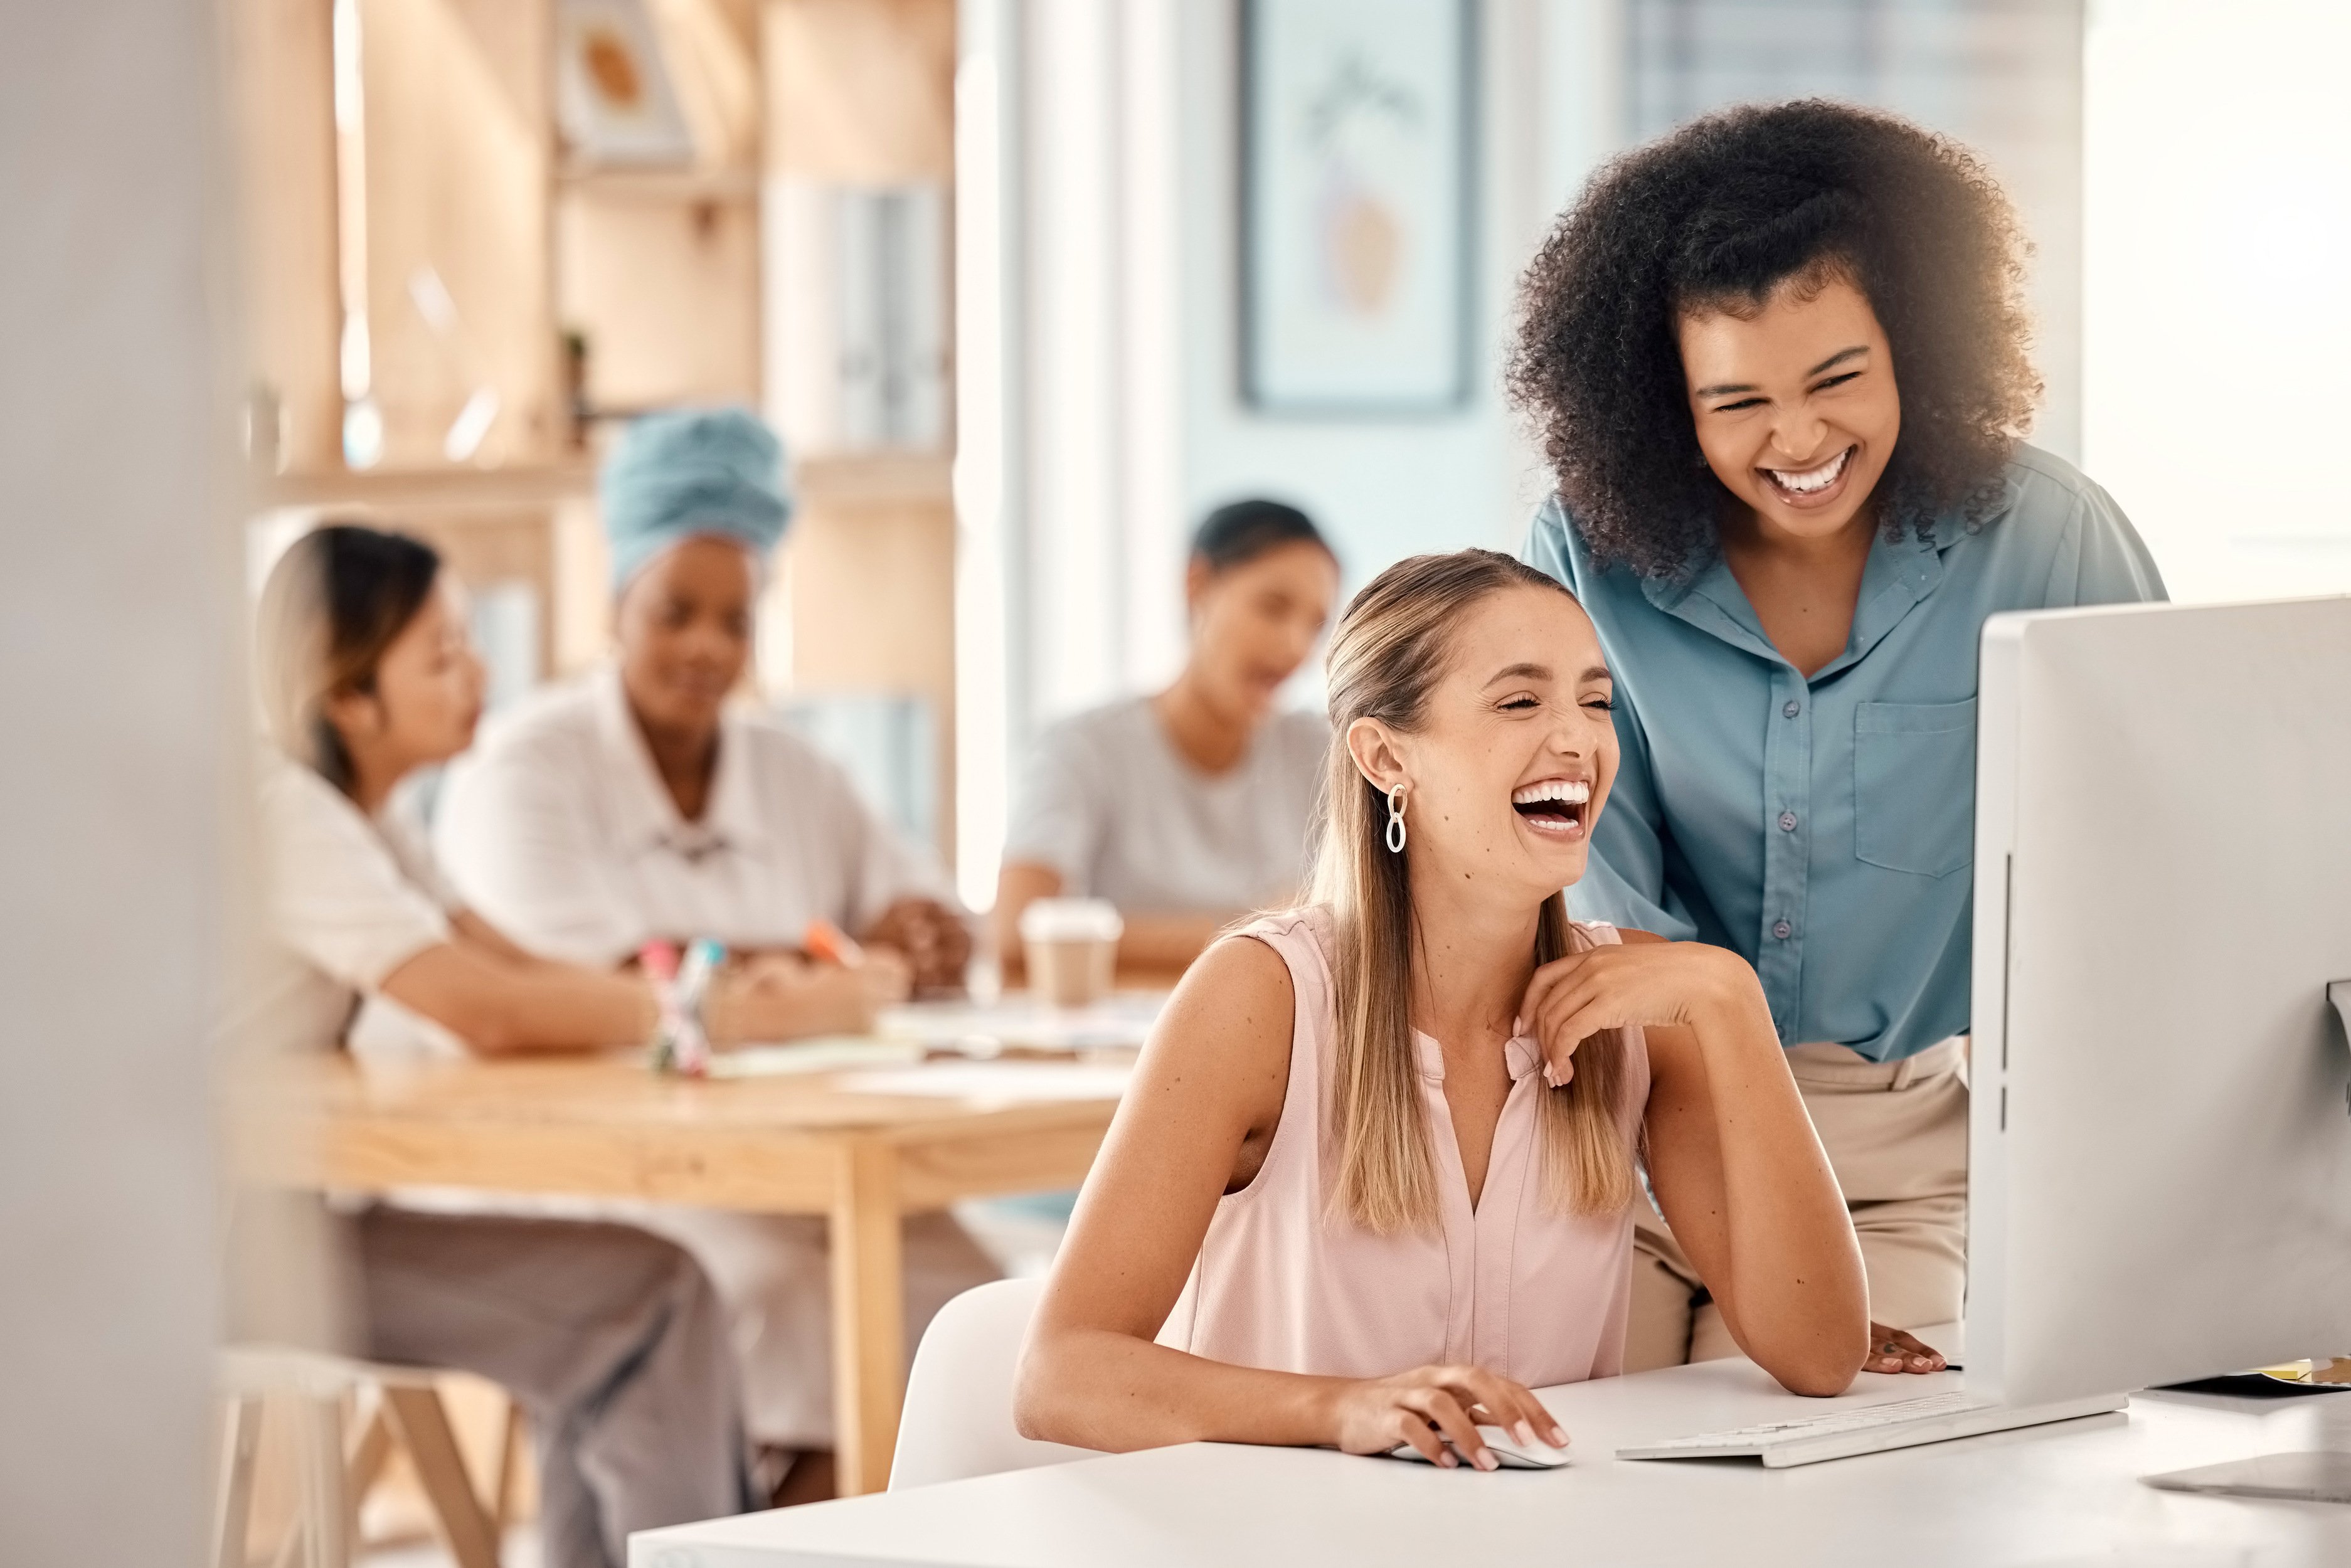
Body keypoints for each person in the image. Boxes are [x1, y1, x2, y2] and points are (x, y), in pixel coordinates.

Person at [1507, 100, 2167, 1376]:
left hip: (1901, 1152)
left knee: (1841, 1488)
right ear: (1661, 405)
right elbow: (1600, 904)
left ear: (1916, 341)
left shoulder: (2051, 537)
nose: (1798, 440)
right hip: (1631, 1127)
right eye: (1735, 400)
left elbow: (2146, 872)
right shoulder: (1577, 563)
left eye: (1836, 378)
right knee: (1600, 1493)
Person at [1015, 551, 1868, 1466]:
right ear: (1386, 758)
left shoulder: (1648, 1005)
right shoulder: (1261, 998)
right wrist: (1348, 1410)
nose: (1578, 741)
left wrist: (1733, 1002)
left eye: (1595, 701)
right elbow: (1063, 1376)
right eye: (1518, 703)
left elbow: (1818, 1355)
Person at [433, 406, 995, 1496]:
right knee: (793, 1300)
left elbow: (919, 913)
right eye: (674, 612)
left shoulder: (797, 769)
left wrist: (921, 935)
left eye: (734, 622)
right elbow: (590, 988)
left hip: (810, 1160)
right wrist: (815, 958)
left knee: (982, 1312)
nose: (705, 648)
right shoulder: (525, 768)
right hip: (611, 1169)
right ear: (615, 605)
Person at [249, 522, 758, 1568]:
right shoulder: (283, 816)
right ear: (347, 697)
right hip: (219, 1249)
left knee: (636, 1303)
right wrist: (708, 1014)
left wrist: (699, 992)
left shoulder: (370, 819)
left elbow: (514, 970)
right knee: (650, 1301)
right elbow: (482, 1010)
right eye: (442, 655)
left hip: (290, 1217)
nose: (479, 672)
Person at [995, 499, 1341, 979]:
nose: (1295, 647)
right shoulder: (1082, 750)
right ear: (1196, 585)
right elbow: (1016, 932)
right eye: (1273, 607)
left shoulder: (1322, 753)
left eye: (1315, 625)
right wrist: (1260, 935)